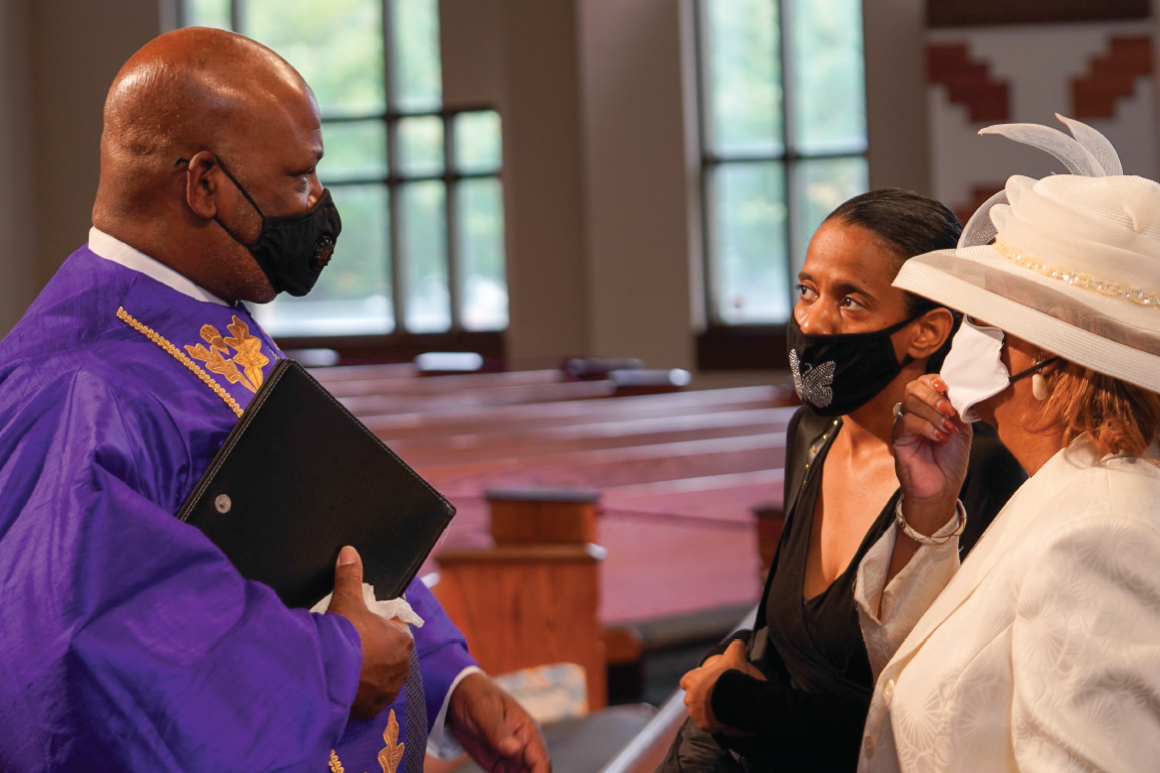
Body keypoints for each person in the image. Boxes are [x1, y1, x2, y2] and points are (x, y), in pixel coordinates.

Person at [0, 28, 548, 773]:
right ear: (203, 185)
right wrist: (337, 663)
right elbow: (86, 657)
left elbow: (328, 535)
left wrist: (454, 681)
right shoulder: (77, 387)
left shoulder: (211, 322)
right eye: (299, 180)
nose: (318, 206)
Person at [669, 191, 1026, 771]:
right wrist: (731, 656)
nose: (812, 321)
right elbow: (785, 640)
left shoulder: (975, 467)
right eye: (807, 291)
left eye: (851, 301)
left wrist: (739, 702)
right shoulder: (812, 433)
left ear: (927, 332)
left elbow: (940, 718)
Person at [855, 116, 1160, 772]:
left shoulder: (1102, 532)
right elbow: (933, 681)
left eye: (994, 331)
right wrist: (931, 516)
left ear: (1047, 357)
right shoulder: (1064, 488)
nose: (973, 358)